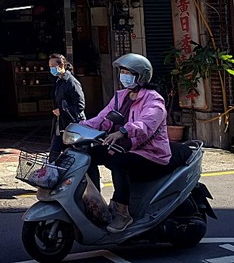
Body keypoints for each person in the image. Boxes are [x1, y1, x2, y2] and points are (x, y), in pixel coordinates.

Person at [80, 53, 173, 233]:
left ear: (140, 76)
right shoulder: (120, 97)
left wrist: (123, 131)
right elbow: (102, 119)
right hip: (127, 146)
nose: (123, 76)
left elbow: (146, 125)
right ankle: (95, 201)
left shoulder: (154, 99)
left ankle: (122, 212)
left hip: (151, 153)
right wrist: (78, 127)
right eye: (122, 72)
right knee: (88, 156)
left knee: (118, 162)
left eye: (127, 72)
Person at [48, 53, 86, 162]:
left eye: (53, 66)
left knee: (75, 156)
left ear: (62, 65)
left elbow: (80, 105)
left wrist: (62, 111)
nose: (51, 69)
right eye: (50, 67)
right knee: (55, 154)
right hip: (61, 124)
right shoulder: (58, 81)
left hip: (72, 123)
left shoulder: (71, 82)